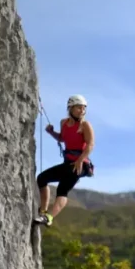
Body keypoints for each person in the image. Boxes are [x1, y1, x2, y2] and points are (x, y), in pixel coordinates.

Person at [35, 94, 95, 226]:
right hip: (69, 163)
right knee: (42, 178)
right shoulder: (64, 123)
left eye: (84, 108)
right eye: (79, 108)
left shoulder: (85, 125)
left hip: (81, 164)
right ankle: (43, 212)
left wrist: (80, 160)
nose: (82, 111)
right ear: (71, 108)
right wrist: (52, 132)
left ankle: (49, 217)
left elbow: (90, 145)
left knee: (62, 189)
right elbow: (62, 138)